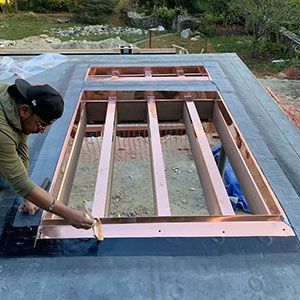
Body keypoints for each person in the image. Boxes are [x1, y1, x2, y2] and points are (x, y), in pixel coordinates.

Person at [0, 79, 94, 229]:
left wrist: (28, 195)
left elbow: (21, 147)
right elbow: (19, 182)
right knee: (6, 179)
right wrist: (68, 214)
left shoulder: (15, 104)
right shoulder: (3, 132)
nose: (41, 131)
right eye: (40, 125)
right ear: (25, 110)